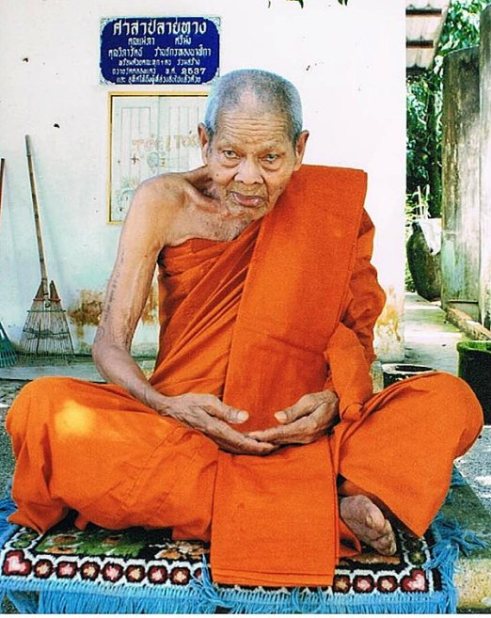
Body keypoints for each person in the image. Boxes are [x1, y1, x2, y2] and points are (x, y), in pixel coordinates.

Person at [6, 69, 483, 587]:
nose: (249, 178)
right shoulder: (163, 202)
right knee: (43, 409)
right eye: (230, 154)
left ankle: (270, 506)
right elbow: (108, 345)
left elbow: (357, 340)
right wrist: (166, 405)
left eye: (270, 158)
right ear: (204, 141)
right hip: (183, 431)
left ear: (299, 149)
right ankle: (330, 510)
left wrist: (332, 399)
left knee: (450, 400)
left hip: (305, 437)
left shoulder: (331, 207)